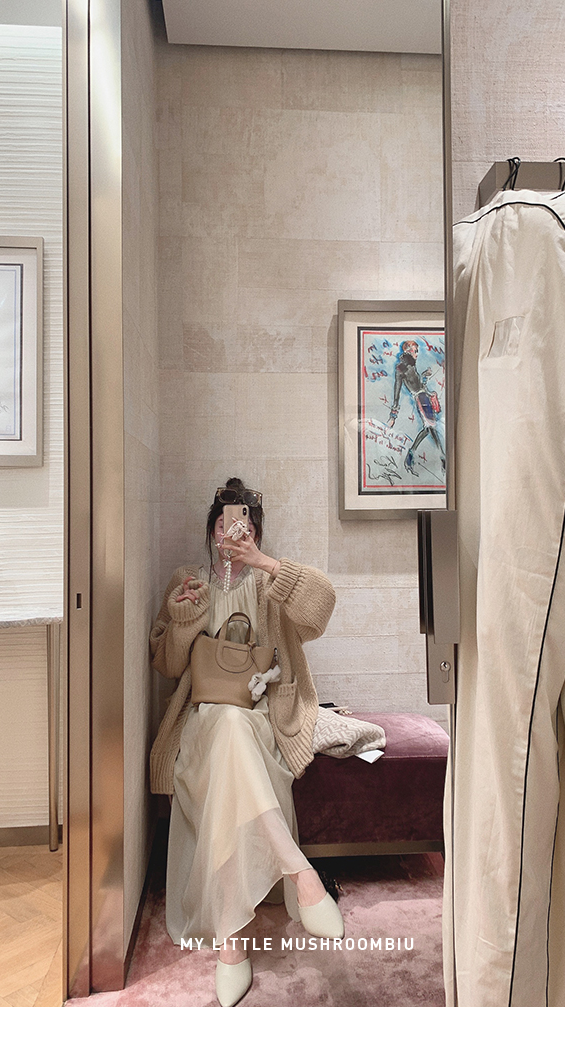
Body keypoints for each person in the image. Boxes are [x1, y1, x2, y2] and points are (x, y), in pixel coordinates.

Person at [148, 478, 343, 1007]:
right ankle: (301, 874)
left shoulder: (266, 583)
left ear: (253, 532)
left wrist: (264, 562)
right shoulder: (189, 580)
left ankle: (231, 943)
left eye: (242, 526)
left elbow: (322, 606)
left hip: (257, 718)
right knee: (226, 727)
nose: (230, 534)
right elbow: (167, 664)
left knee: (236, 730)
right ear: (210, 531)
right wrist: (184, 615)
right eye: (222, 524)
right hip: (201, 720)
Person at [387, 339, 445, 475]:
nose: (417, 354)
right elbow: (397, 392)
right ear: (408, 351)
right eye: (415, 351)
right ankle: (442, 457)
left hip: (425, 397)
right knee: (431, 427)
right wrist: (393, 415)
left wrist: (424, 377)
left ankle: (412, 455)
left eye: (417, 351)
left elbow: (419, 385)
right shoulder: (401, 368)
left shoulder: (412, 365)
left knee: (429, 428)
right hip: (421, 399)